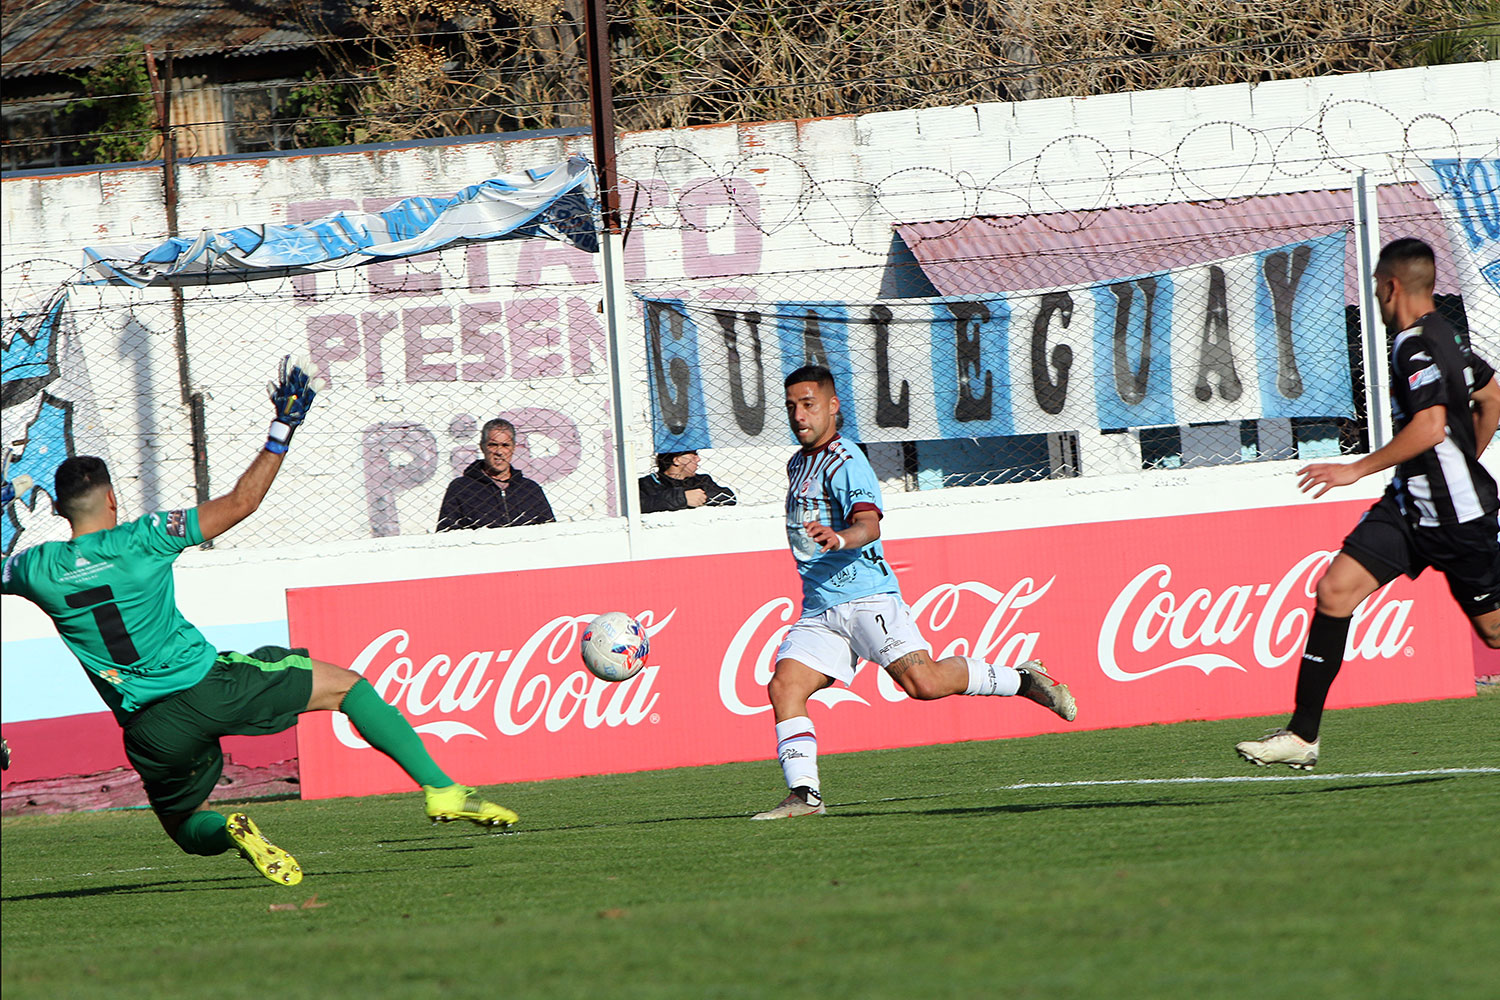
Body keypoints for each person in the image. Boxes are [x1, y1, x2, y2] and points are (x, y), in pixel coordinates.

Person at [0, 358, 519, 886]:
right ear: (112, 497)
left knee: (183, 827)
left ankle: (231, 831)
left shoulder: (36, 569)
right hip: (209, 686)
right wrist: (281, 428)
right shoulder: (146, 536)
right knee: (348, 689)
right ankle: (441, 787)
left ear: (61, 512)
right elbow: (243, 502)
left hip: (149, 730)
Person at [751, 364, 1078, 820]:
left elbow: (868, 523)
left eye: (808, 405)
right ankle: (805, 795)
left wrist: (839, 537)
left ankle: (1024, 679)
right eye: (791, 406)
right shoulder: (798, 462)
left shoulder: (847, 461)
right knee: (785, 686)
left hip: (867, 598)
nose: (799, 415)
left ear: (832, 406)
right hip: (820, 607)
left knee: (922, 684)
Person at [1235, 238, 1500, 770]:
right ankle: (1302, 735)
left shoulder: (1413, 346)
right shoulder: (1444, 334)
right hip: (1407, 508)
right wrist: (1465, 455)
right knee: (1334, 591)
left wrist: (1353, 468)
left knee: (1494, 633)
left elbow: (1428, 427)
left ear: (1390, 286)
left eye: (1377, 289)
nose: (1376, 299)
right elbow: (1492, 395)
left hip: (1457, 518)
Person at [436, 417, 556, 531]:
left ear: (513, 448)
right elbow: (446, 536)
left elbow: (550, 533)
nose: (499, 452)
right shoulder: (461, 489)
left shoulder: (530, 490)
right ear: (482, 447)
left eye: (505, 445)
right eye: (493, 445)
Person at [638, 450, 737, 513]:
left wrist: (700, 497)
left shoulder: (702, 480)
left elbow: (729, 497)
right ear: (676, 460)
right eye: (693, 455)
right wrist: (682, 498)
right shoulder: (649, 483)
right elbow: (640, 505)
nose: (698, 459)